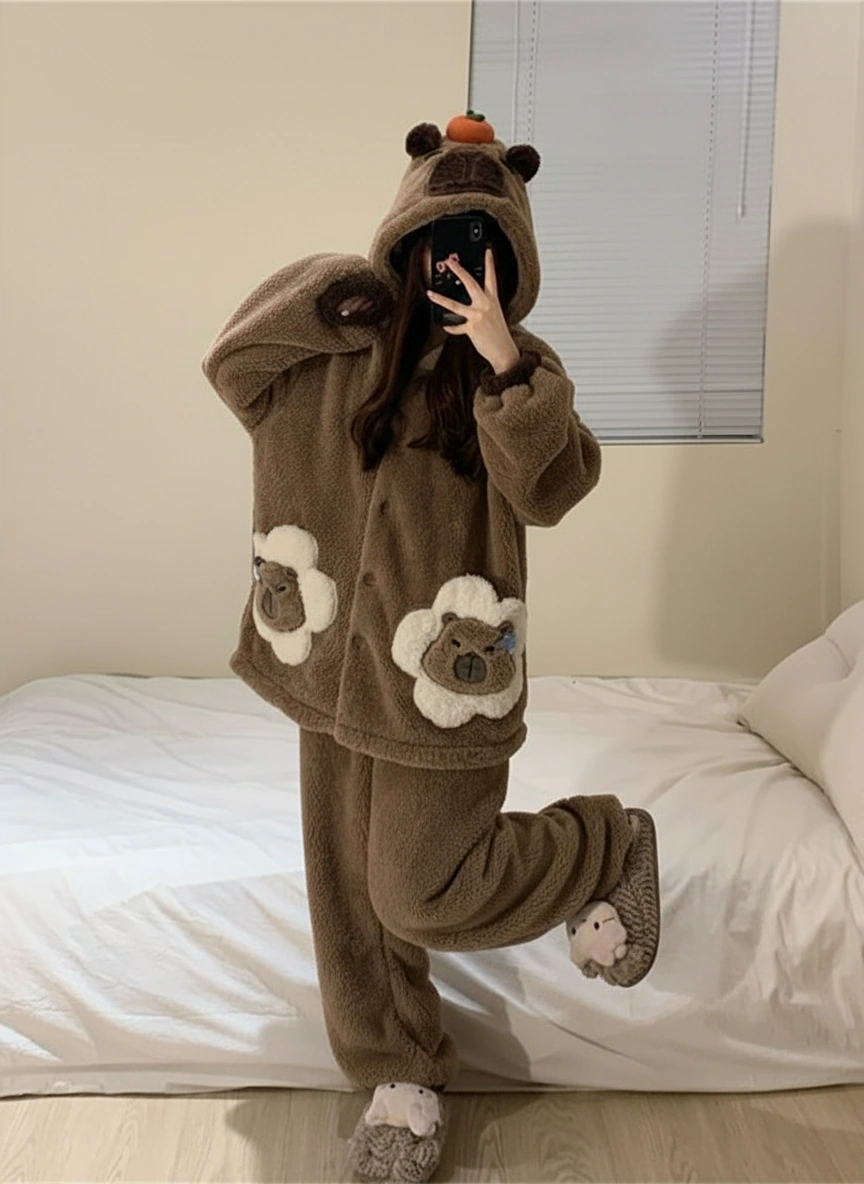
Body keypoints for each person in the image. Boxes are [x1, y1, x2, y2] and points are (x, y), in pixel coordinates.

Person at [202, 115, 661, 1183]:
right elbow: (233, 362)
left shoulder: (520, 374)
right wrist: (333, 291)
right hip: (326, 662)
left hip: (439, 679)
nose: (458, 263)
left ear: (514, 264)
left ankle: (605, 843)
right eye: (436, 239)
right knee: (348, 894)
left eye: (484, 246)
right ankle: (398, 1076)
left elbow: (553, 489)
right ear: (401, 240)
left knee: (419, 891)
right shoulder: (336, 351)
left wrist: (504, 362)